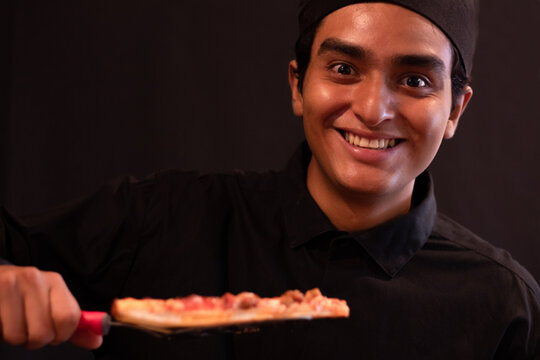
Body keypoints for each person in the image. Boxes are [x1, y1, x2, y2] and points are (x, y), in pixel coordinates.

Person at [1, 0, 539, 358]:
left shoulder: (503, 304)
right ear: (299, 85)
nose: (374, 110)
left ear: (454, 112)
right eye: (344, 70)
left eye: (415, 80)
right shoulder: (158, 219)